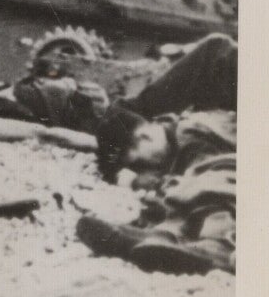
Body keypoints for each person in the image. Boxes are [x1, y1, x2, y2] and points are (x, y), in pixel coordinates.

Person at [80, 105, 236, 275]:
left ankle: (220, 247)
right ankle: (162, 239)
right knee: (183, 197)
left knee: (205, 182)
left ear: (145, 137)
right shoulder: (173, 141)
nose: (148, 169)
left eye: (140, 163)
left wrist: (155, 184)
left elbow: (204, 173)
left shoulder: (190, 131)